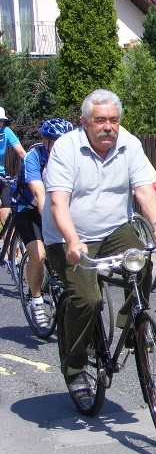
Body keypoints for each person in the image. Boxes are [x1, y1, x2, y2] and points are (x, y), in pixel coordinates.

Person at [43, 89, 156, 399]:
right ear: (84, 122)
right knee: (87, 299)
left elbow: (143, 191)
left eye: (113, 120)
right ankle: (74, 369)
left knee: (142, 262)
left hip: (113, 229)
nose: (108, 127)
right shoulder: (66, 149)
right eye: (100, 120)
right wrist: (73, 241)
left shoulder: (129, 144)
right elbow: (58, 203)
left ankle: (132, 327)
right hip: (68, 237)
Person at [15, 118, 74, 328]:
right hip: (28, 209)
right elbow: (40, 196)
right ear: (46, 142)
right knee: (39, 255)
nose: (61, 146)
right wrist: (54, 225)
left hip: (57, 208)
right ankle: (37, 299)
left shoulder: (71, 157)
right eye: (55, 142)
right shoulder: (34, 157)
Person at [0, 106, 27, 228]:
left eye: (1, 120)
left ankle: (8, 242)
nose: (0, 123)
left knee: (6, 203)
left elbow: (21, 152)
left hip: (1, 175)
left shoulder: (6, 132)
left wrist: (31, 166)